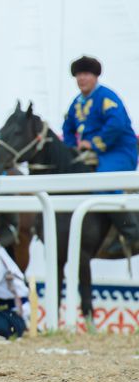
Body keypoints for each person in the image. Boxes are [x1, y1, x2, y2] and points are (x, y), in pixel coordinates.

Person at [62, 55, 139, 257]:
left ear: (95, 76)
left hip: (118, 151)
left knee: (104, 183)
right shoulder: (76, 103)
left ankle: (131, 233)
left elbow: (117, 124)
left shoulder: (107, 97)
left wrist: (92, 143)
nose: (81, 79)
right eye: (78, 75)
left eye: (86, 74)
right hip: (92, 154)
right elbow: (67, 128)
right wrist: (72, 149)